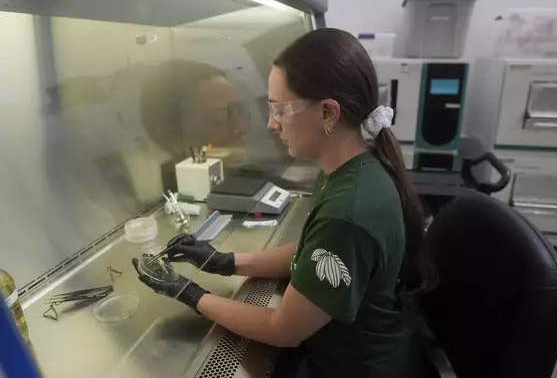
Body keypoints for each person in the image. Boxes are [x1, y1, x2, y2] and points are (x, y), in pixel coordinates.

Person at [133, 28, 438, 378]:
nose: (271, 124)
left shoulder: (347, 213)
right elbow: (312, 252)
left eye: (280, 109)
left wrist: (188, 292)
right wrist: (225, 262)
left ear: (328, 113)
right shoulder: (350, 168)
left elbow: (284, 329)